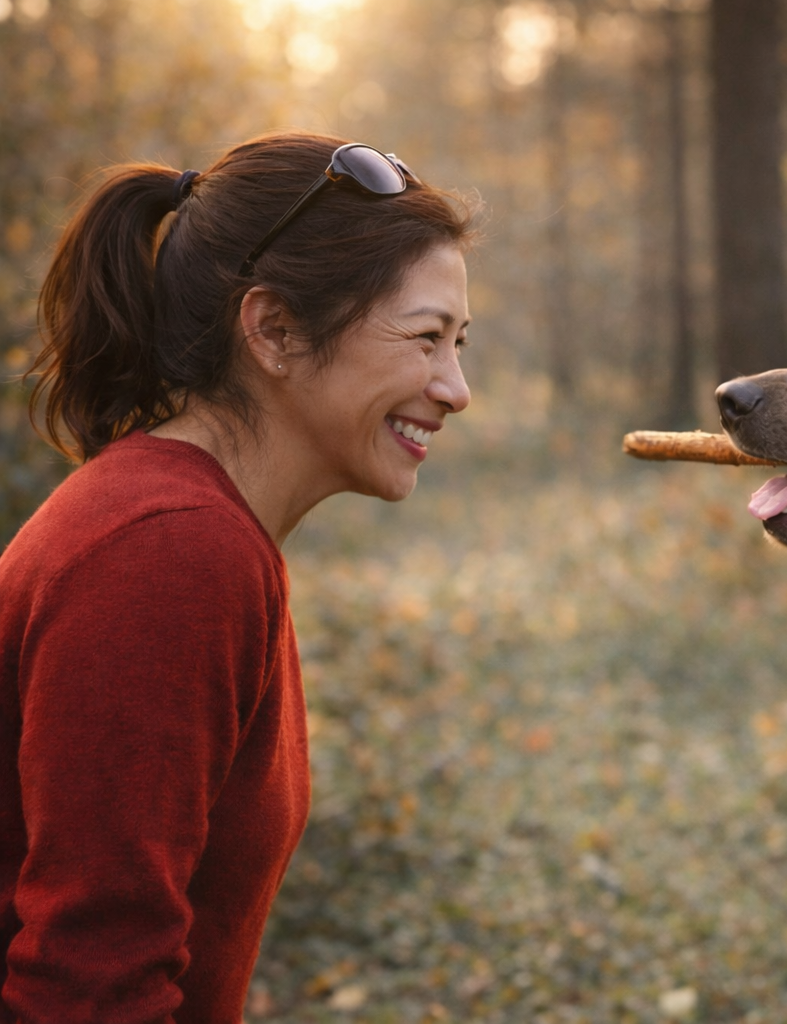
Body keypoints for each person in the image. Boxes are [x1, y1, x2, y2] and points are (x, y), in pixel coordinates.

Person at [0, 130, 475, 1020]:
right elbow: (90, 988)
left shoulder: (199, 529)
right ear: (273, 330)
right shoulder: (167, 554)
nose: (455, 387)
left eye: (460, 343)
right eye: (425, 338)